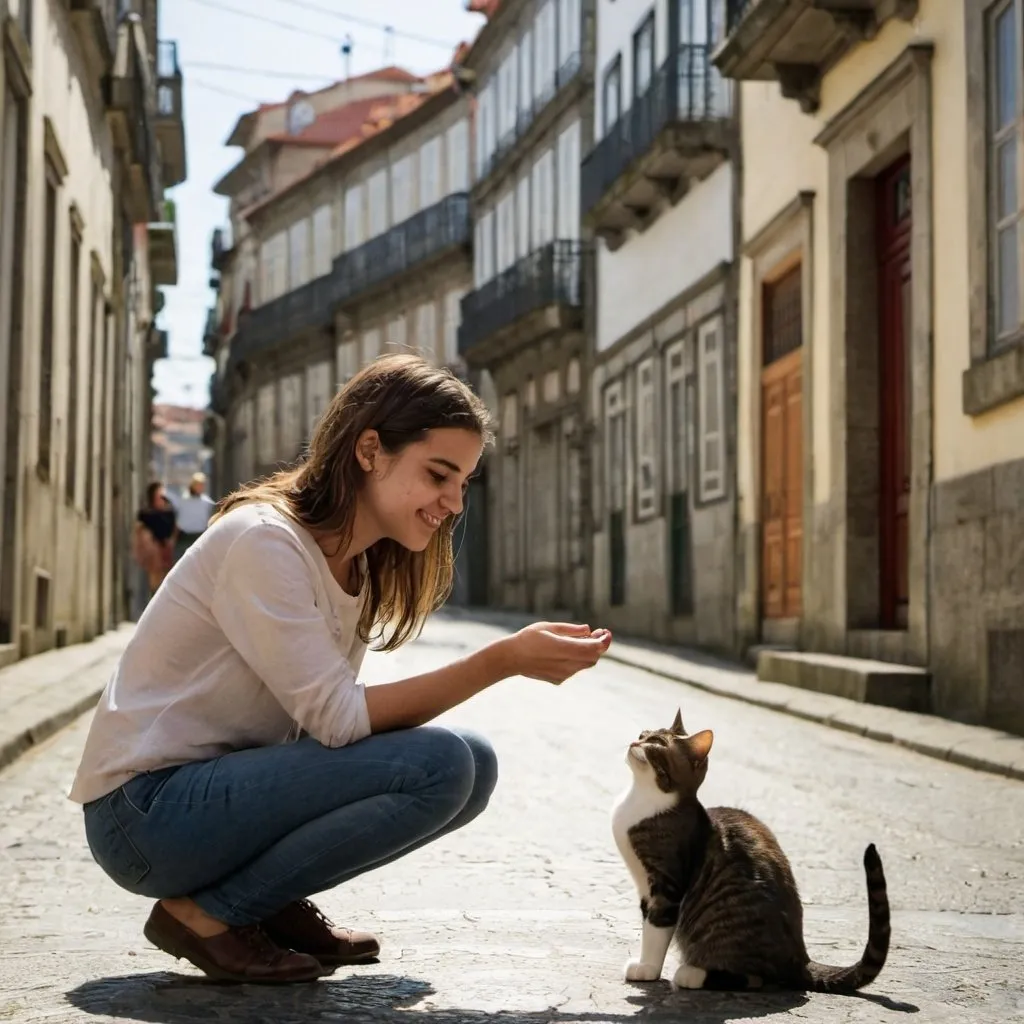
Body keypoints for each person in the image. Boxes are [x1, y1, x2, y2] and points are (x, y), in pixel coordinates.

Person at [69, 354, 612, 985]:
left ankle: (261, 903)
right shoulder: (265, 541)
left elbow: (316, 728)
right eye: (440, 474)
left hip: (208, 800)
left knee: (474, 762)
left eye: (463, 481)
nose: (454, 502)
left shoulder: (357, 565)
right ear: (370, 450)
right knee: (442, 763)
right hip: (143, 813)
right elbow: (337, 719)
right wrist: (501, 660)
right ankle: (210, 915)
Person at [131, 481, 177, 597]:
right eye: (158, 496)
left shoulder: (169, 513)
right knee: (155, 584)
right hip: (152, 555)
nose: (161, 499)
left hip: (167, 553)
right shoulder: (145, 515)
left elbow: (173, 531)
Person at [171, 471, 216, 562]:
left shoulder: (207, 502)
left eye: (201, 484)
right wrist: (173, 539)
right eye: (198, 484)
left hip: (199, 538)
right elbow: (178, 523)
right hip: (184, 539)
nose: (200, 487)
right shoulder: (183, 501)